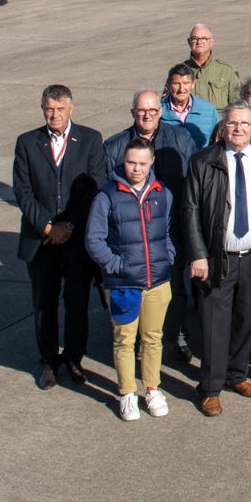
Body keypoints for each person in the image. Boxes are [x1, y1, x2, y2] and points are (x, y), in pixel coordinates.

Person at [12, 84, 107, 389]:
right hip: (42, 241)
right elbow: (23, 192)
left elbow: (95, 187)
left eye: (60, 109)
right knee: (44, 304)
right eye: (49, 109)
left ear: (71, 109)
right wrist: (49, 227)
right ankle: (49, 362)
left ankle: (74, 359)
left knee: (77, 303)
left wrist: (70, 227)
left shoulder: (91, 139)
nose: (54, 115)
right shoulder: (27, 143)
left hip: (76, 241)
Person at [184, 101, 251, 417]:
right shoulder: (203, 161)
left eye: (244, 124)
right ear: (223, 127)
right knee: (214, 324)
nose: (238, 129)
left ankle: (238, 376)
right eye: (232, 123)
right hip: (217, 258)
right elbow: (191, 210)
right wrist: (198, 254)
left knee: (245, 320)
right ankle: (210, 388)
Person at [85, 137, 175, 421]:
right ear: (123, 162)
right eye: (131, 162)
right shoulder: (107, 196)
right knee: (124, 340)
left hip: (158, 281)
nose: (136, 169)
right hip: (124, 284)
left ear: (151, 164)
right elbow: (93, 239)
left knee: (153, 338)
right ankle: (126, 393)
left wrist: (168, 255)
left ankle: (152, 388)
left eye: (142, 163)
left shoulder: (163, 193)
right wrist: (115, 265)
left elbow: (170, 230)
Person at [104, 90, 195, 361]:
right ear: (133, 112)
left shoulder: (180, 139)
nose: (147, 116)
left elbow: (190, 186)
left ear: (161, 112)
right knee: (132, 292)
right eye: (141, 111)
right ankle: (133, 344)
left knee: (174, 290)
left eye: (153, 111)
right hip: (130, 237)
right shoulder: (114, 147)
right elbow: (105, 194)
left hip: (168, 232)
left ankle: (177, 335)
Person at [181, 24, 241, 111]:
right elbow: (167, 104)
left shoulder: (227, 71)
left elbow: (238, 105)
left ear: (211, 42)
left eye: (204, 39)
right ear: (189, 42)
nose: (199, 42)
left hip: (218, 123)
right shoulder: (178, 72)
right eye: (195, 38)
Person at [160, 63, 218, 149]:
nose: (181, 89)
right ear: (169, 84)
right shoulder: (158, 112)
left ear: (193, 84)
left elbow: (218, 141)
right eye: (176, 84)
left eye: (186, 83)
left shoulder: (208, 110)